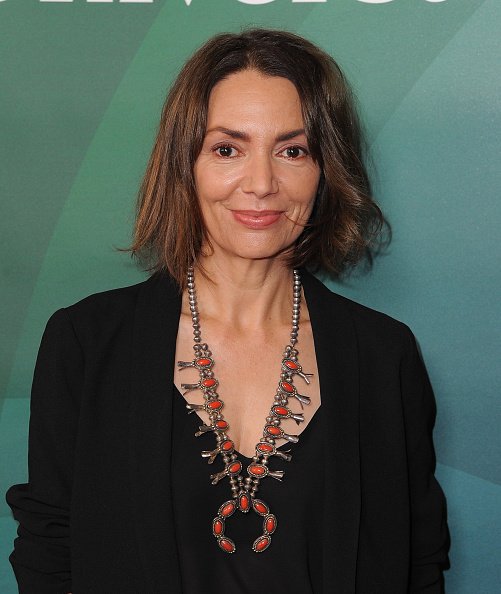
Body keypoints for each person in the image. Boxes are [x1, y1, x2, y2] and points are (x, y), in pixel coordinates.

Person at [6, 29, 449, 593]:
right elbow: (49, 549)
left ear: (325, 170)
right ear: (184, 164)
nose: (261, 183)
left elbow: (419, 559)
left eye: (293, 150)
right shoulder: (88, 343)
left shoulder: (384, 357)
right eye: (227, 149)